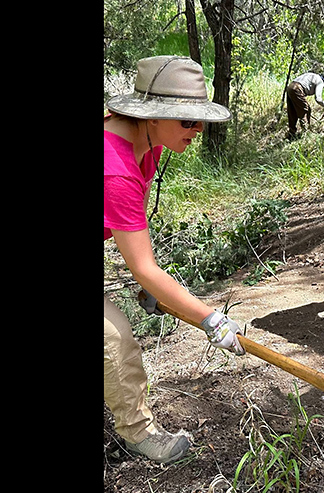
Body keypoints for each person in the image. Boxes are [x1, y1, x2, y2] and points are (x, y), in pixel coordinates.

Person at [104, 56, 246, 464]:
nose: (198, 130)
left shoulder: (143, 144)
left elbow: (135, 244)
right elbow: (146, 266)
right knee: (113, 337)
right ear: (152, 116)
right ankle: (139, 433)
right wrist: (210, 318)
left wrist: (145, 283)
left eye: (200, 120)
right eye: (187, 120)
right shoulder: (113, 165)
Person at [286, 70, 324, 139]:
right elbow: (318, 99)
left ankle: (291, 133)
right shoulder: (320, 82)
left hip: (290, 87)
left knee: (292, 111)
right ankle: (306, 133)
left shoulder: (313, 75)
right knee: (306, 110)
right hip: (297, 89)